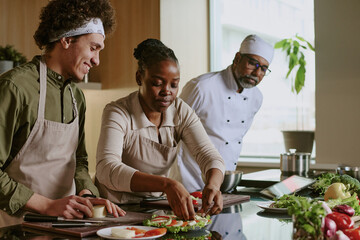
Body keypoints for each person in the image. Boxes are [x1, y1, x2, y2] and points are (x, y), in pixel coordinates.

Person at [0, 0, 125, 227]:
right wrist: (46, 205)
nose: (97, 60)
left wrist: (87, 195)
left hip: (65, 228)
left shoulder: (76, 97)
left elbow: (78, 161)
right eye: (93, 48)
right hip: (14, 228)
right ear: (66, 40)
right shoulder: (15, 88)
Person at [95, 38, 225, 220]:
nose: (167, 91)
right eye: (157, 83)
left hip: (156, 209)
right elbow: (106, 169)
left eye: (174, 84)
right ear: (140, 77)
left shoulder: (180, 110)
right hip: (116, 210)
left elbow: (209, 155)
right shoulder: (118, 112)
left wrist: (213, 185)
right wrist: (166, 184)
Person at [175, 34, 274, 192]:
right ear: (237, 58)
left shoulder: (256, 98)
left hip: (226, 184)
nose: (257, 72)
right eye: (253, 63)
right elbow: (172, 131)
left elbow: (234, 139)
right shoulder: (202, 87)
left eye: (263, 68)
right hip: (189, 180)